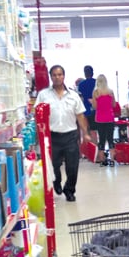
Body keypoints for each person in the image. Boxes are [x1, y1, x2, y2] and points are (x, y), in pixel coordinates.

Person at [36, 65, 91, 202]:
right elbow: (38, 115)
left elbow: (80, 116)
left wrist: (85, 133)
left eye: (60, 74)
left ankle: (69, 190)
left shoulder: (73, 95)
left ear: (64, 76)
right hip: (52, 136)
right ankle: (56, 181)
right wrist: (39, 134)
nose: (57, 77)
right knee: (54, 165)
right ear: (51, 77)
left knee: (72, 166)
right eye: (54, 75)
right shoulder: (43, 95)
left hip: (70, 135)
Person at [92, 74, 117, 166]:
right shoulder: (110, 92)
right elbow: (114, 105)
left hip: (100, 118)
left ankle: (102, 160)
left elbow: (95, 107)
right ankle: (112, 160)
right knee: (110, 139)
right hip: (110, 117)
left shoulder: (96, 92)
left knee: (101, 139)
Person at [77, 65, 96, 135]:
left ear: (85, 73)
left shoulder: (81, 85)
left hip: (86, 109)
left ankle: (90, 141)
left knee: (87, 130)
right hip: (97, 109)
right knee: (97, 130)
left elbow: (80, 98)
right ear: (92, 73)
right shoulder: (97, 83)